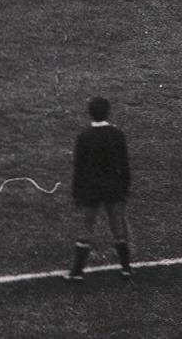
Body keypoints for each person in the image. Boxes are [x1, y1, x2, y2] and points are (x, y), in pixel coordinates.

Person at [67, 96, 132, 281]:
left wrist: (76, 193)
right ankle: (126, 268)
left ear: (90, 113)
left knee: (86, 227)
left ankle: (77, 271)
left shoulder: (84, 137)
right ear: (107, 112)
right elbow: (124, 165)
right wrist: (125, 189)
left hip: (90, 189)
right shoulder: (117, 135)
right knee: (118, 227)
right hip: (113, 187)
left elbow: (79, 169)